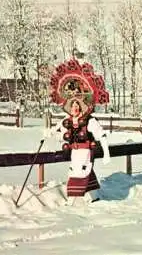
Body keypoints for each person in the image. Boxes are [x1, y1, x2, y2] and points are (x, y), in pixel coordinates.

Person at [45, 57, 111, 205]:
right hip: (74, 152)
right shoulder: (67, 120)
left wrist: (107, 154)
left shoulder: (89, 121)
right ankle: (93, 196)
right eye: (72, 106)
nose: (74, 109)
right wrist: (50, 133)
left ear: (81, 107)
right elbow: (58, 131)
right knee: (77, 169)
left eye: (77, 106)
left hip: (86, 151)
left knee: (79, 172)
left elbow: (102, 136)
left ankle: (72, 200)